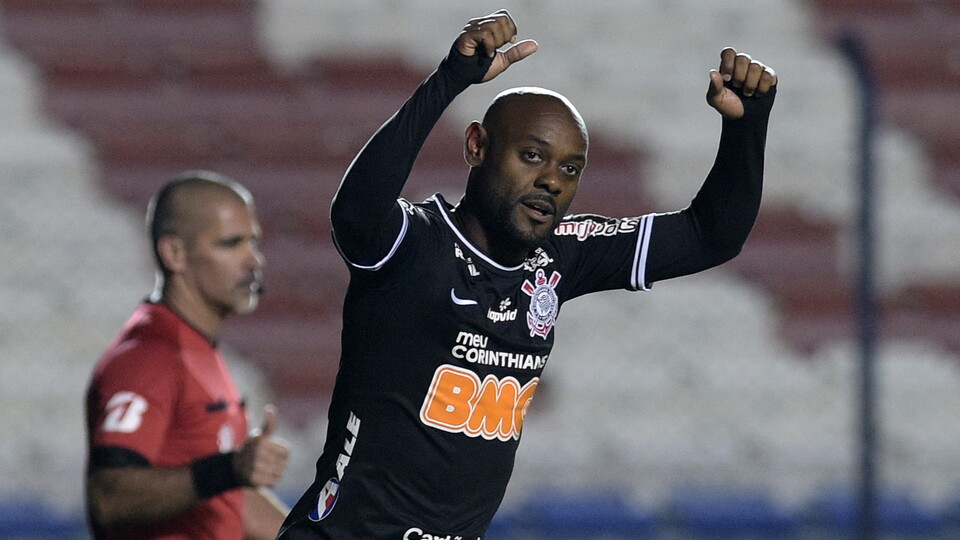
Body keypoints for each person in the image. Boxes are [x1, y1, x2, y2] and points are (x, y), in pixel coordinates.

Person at [278, 9, 777, 539]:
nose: (552, 181)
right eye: (532, 155)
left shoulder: (563, 256)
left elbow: (710, 235)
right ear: (477, 146)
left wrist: (746, 128)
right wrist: (449, 80)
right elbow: (354, 214)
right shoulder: (415, 243)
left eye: (570, 169)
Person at [85, 170, 290, 540]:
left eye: (253, 242)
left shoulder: (196, 348)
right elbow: (109, 496)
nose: (254, 260)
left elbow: (228, 503)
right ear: (175, 253)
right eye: (231, 244)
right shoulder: (149, 357)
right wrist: (229, 469)